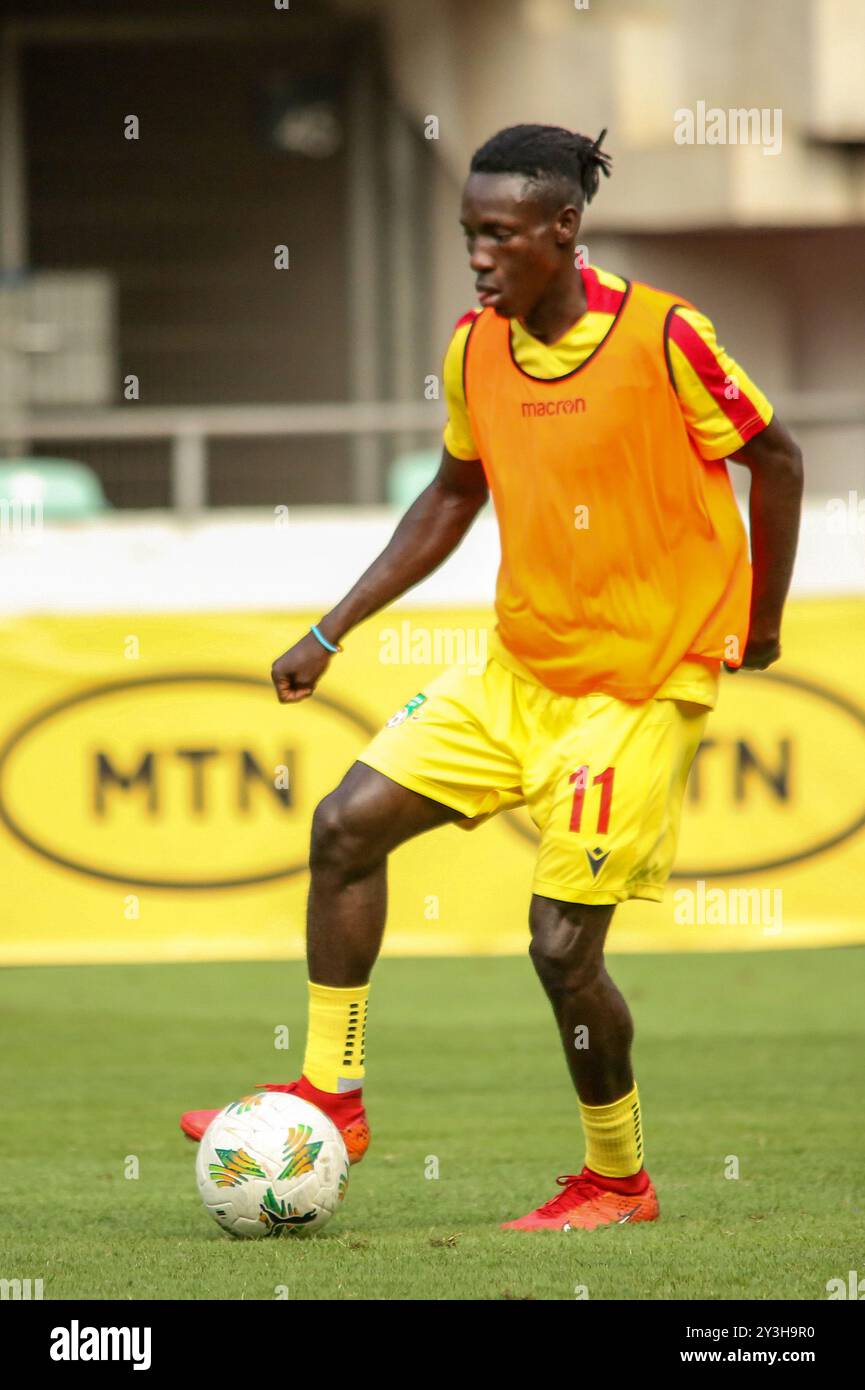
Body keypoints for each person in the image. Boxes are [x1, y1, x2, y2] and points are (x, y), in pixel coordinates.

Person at [181, 123, 803, 1231]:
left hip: (639, 689)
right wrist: (332, 630)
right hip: (517, 671)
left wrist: (757, 625)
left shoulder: (665, 336)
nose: (478, 255)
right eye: (469, 233)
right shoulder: (475, 346)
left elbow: (776, 455)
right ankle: (334, 1091)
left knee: (561, 950)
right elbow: (451, 496)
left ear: (563, 230)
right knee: (343, 826)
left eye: (499, 235)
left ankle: (618, 1178)